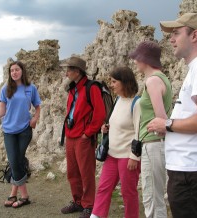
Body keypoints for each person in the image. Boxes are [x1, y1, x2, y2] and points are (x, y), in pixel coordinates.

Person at [147, 13, 197, 218]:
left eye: (176, 33)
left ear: (195, 36)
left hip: (193, 170)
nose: (171, 39)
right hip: (189, 169)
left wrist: (167, 124)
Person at [0, 60, 41, 208]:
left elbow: (38, 106)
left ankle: (15, 195)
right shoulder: (6, 89)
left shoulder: (31, 88)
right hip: (9, 131)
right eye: (12, 71)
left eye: (17, 70)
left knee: (17, 160)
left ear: (22, 71)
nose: (14, 72)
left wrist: (35, 118)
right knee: (14, 161)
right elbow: (1, 111)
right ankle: (23, 195)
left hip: (25, 130)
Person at [90, 66, 141, 218]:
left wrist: (135, 156)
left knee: (128, 192)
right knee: (103, 188)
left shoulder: (137, 103)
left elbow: (139, 132)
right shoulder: (118, 99)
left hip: (127, 156)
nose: (111, 85)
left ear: (124, 82)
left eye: (114, 81)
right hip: (112, 154)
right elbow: (117, 122)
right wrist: (106, 128)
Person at [129, 40, 172, 218]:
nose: (135, 62)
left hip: (153, 144)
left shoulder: (153, 81)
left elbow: (161, 118)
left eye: (137, 58)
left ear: (144, 59)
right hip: (155, 144)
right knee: (154, 197)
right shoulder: (162, 78)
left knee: (152, 198)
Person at [60, 56, 106, 218]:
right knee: (72, 172)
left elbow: (100, 114)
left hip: (83, 137)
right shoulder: (73, 88)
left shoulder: (91, 87)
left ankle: (89, 205)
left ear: (77, 71)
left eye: (69, 69)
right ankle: (77, 201)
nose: (66, 73)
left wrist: (88, 133)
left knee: (86, 172)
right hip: (71, 136)